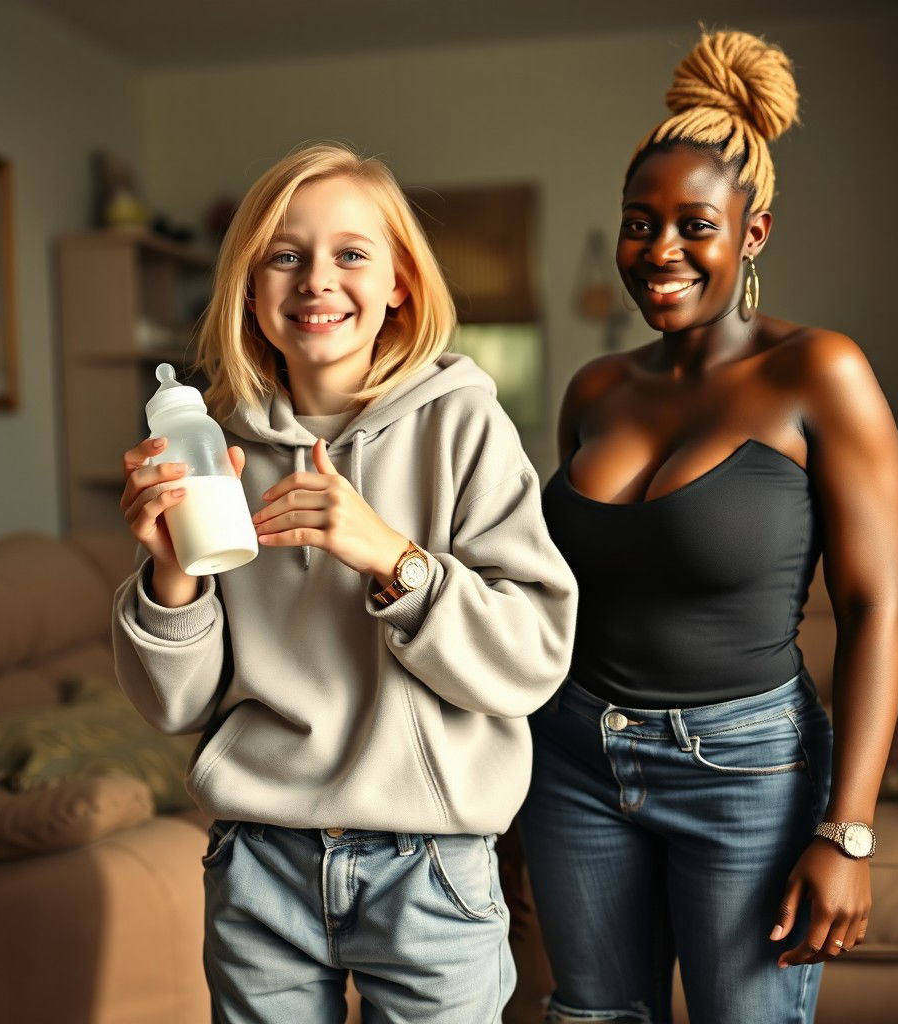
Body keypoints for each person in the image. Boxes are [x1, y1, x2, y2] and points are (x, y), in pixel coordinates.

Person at [112, 142, 578, 1024]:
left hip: (432, 867)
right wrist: (171, 577)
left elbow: (534, 657)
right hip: (260, 864)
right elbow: (177, 705)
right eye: (284, 256)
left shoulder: (466, 426)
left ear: (400, 281)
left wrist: (393, 559)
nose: (316, 279)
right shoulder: (212, 450)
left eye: (351, 254)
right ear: (250, 288)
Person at [517, 30, 898, 1024]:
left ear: (754, 232)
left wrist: (848, 829)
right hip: (571, 756)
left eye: (695, 225)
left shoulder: (820, 375)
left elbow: (873, 609)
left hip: (744, 769)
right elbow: (544, 592)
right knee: (594, 1015)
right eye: (637, 224)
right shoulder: (593, 388)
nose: (659, 252)